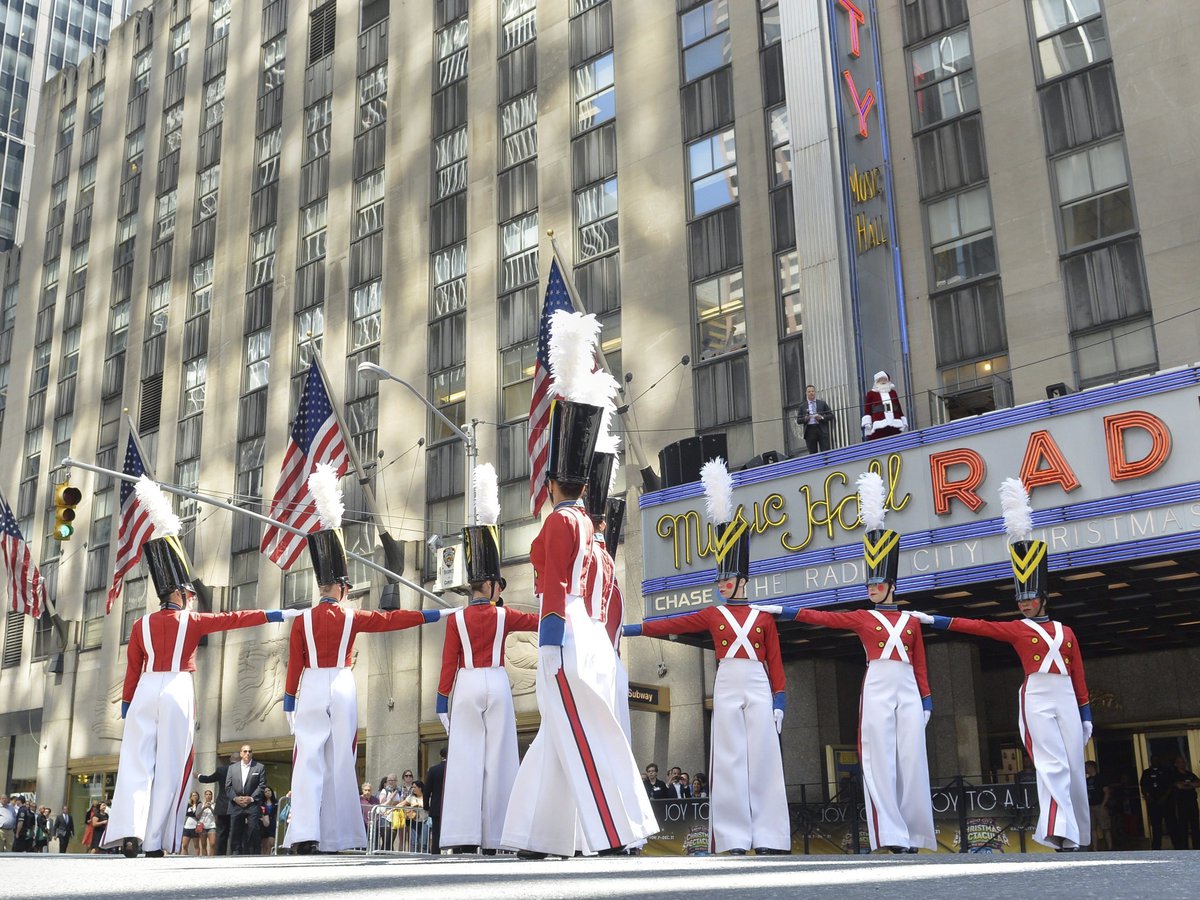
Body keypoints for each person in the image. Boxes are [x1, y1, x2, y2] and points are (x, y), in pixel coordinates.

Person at [502, 314, 658, 859]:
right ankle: (536, 835)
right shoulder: (592, 532)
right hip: (591, 634)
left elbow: (553, 585)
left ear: (551, 480)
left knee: (579, 731)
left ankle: (617, 831)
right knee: (558, 735)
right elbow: (609, 604)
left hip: (564, 629)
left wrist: (547, 640)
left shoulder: (562, 521)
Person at [106, 483, 297, 859]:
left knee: (135, 763)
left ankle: (130, 831)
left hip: (144, 689)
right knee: (175, 766)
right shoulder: (190, 621)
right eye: (188, 592)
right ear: (178, 592)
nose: (191, 595)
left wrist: (128, 705)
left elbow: (132, 670)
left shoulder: (139, 624)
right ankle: (157, 840)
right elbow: (234, 618)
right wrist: (276, 613)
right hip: (176, 686)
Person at [756, 472, 934, 854]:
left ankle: (915, 833)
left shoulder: (910, 621)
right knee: (879, 757)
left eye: (878, 584)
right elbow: (824, 618)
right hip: (878, 683)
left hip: (906, 686)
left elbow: (919, 663)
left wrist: (928, 698)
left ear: (892, 586)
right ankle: (891, 834)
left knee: (913, 760)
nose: (871, 589)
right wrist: (787, 611)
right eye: (869, 584)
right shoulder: (862, 617)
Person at [913, 478, 1091, 851]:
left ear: (1043, 597)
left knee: (1073, 766)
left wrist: (1086, 712)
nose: (1024, 604)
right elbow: (979, 626)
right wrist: (938, 620)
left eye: (1030, 598)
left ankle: (1075, 831)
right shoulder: (1016, 628)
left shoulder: (1067, 630)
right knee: (1052, 764)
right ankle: (1061, 832)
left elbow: (1077, 674)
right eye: (1020, 598)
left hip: (1066, 697)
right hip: (1038, 693)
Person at [282, 467, 450, 855]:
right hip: (341, 682)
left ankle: (304, 833)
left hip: (310, 685)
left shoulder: (302, 619)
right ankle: (340, 836)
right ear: (341, 586)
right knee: (342, 759)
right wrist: (433, 614)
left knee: (307, 760)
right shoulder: (351, 615)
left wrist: (290, 699)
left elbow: (295, 664)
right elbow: (391, 620)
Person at [626, 458, 790, 856]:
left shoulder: (762, 617)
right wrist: (627, 629)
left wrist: (781, 700)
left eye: (727, 577)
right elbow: (666, 623)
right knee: (728, 760)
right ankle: (733, 838)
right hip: (728, 682)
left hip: (758, 683)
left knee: (765, 761)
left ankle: (770, 838)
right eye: (719, 578)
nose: (721, 583)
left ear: (743, 580)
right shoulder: (713, 614)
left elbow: (775, 662)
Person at [437, 468, 539, 855]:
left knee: (464, 759)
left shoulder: (457, 618)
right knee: (500, 760)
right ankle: (499, 837)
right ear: (493, 585)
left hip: (464, 684)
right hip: (496, 681)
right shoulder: (504, 613)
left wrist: (441, 698)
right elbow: (536, 621)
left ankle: (462, 837)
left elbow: (449, 663)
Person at [225, 744, 266, 855]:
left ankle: (254, 852)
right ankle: (235, 851)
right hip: (236, 804)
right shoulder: (232, 768)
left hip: (252, 804)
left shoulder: (259, 767)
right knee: (235, 830)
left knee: (253, 829)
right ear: (241, 753)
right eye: (245, 751)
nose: (248, 753)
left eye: (250, 751)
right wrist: (235, 798)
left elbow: (262, 786)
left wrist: (251, 798)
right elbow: (228, 786)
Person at [198, 751, 238, 856]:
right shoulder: (241, 771)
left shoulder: (221, 770)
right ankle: (236, 853)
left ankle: (220, 855)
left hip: (222, 805)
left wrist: (198, 776)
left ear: (230, 759)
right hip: (237, 805)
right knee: (236, 832)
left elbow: (208, 779)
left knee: (221, 833)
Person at [1140, 755, 1173, 851]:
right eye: (1153, 760)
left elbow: (1171, 784)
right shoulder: (1146, 773)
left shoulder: (1166, 771)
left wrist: (1165, 796)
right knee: (1156, 826)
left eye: (1157, 759)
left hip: (1166, 803)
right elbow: (1143, 786)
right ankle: (1156, 847)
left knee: (1171, 824)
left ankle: (1178, 845)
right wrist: (1147, 797)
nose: (1155, 761)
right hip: (1153, 803)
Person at [861, 371, 906, 440]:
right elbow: (867, 409)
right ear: (876, 381)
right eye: (880, 380)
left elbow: (898, 407)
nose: (883, 381)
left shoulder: (893, 392)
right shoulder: (871, 393)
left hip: (895, 422)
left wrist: (903, 420)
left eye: (885, 379)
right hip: (879, 423)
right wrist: (867, 423)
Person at [1168, 756, 1200, 850]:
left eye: (1183, 762)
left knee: (1195, 826)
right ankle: (1184, 848)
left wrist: (1187, 784)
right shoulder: (1174, 775)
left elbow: (1198, 783)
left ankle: (1197, 847)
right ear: (1176, 764)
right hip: (1181, 804)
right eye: (1180, 762)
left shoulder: (1190, 774)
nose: (1183, 763)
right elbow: (1179, 786)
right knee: (1183, 826)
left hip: (1192, 803)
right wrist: (1191, 785)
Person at [799, 384, 835, 453]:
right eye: (809, 392)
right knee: (812, 453)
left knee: (825, 451)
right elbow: (798, 420)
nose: (811, 393)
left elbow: (831, 415)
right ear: (806, 393)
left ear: (815, 392)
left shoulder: (822, 403)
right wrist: (805, 419)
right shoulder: (802, 406)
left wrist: (821, 417)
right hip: (810, 430)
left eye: (812, 391)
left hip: (821, 429)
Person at [424, 748, 447, 855]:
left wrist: (426, 806)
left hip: (437, 805)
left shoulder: (433, 770)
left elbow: (427, 790)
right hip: (452, 807)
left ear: (441, 756)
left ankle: (435, 852)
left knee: (436, 832)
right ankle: (456, 851)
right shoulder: (455, 768)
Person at [1085, 761, 1112, 852]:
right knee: (1093, 828)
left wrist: (1103, 805)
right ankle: (1095, 848)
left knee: (1105, 827)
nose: (1085, 769)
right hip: (1090, 806)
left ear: (1092, 767)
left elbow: (1107, 792)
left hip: (1100, 806)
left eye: (1086, 767)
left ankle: (1110, 847)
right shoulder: (1087, 780)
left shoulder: (1101, 778)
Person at [181, 791, 201, 856]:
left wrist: (191, 813)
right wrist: (191, 813)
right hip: (187, 826)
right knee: (184, 845)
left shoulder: (199, 804)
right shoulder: (188, 805)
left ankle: (196, 858)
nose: (194, 797)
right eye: (193, 795)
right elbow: (187, 813)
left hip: (195, 827)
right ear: (191, 797)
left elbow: (196, 815)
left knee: (196, 845)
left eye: (196, 795)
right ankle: (185, 857)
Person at [198, 790, 217, 856]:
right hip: (202, 826)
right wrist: (203, 808)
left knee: (212, 844)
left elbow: (217, 816)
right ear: (205, 796)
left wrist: (211, 808)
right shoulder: (200, 805)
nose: (208, 796)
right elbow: (197, 816)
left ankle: (211, 858)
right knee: (203, 845)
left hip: (212, 826)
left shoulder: (215, 805)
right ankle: (204, 859)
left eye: (210, 794)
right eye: (207, 794)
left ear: (212, 796)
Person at [261, 786, 279, 855]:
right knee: (264, 843)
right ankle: (262, 856)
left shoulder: (275, 802)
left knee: (271, 842)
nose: (268, 792)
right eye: (265, 791)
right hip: (263, 823)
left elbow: (277, 813)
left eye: (269, 790)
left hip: (272, 823)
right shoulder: (262, 803)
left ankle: (268, 855)